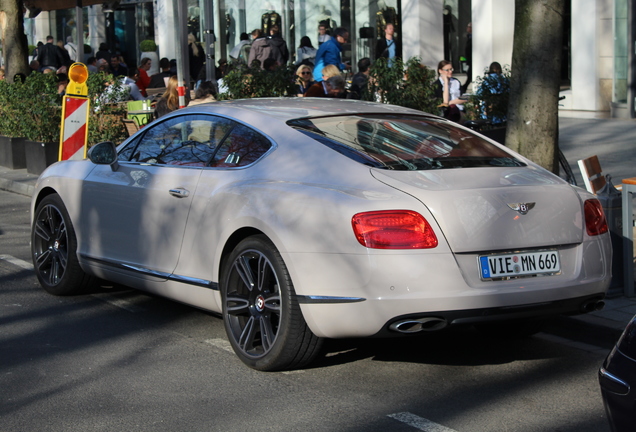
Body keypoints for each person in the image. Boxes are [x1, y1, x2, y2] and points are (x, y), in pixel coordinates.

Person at [461, 22, 473, 93]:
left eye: (469, 27)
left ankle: (464, 87)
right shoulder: (469, 37)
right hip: (469, 59)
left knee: (470, 74)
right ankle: (464, 87)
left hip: (472, 59)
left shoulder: (472, 37)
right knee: (469, 74)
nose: (467, 28)